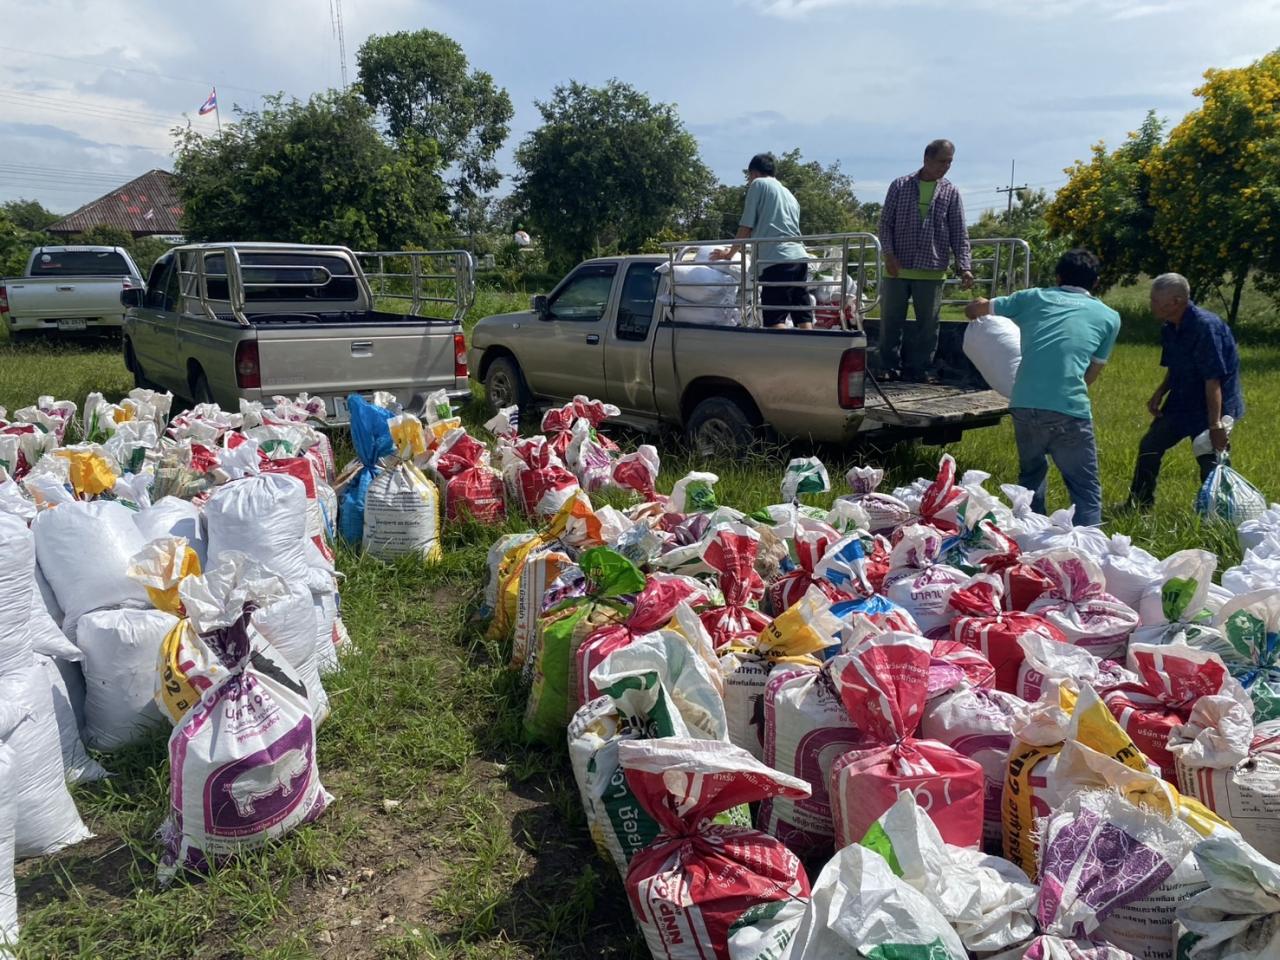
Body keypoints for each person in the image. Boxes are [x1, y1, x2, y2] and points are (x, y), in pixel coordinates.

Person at [965, 248, 1120, 527]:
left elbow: (976, 308)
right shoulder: (1109, 316)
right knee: (1085, 489)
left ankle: (1030, 537)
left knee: (1030, 480)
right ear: (1095, 283)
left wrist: (973, 307)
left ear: (1058, 276)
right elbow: (1092, 373)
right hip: (1069, 408)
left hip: (1024, 403)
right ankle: (1089, 552)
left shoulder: (1032, 297)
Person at [1126, 272, 1243, 509]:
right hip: (1181, 401)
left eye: (1156, 301)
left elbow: (1213, 380)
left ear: (1177, 301)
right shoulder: (1170, 326)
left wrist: (1215, 425)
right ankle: (1140, 504)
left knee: (1211, 461)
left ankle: (1218, 513)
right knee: (1150, 446)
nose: (1151, 305)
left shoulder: (1206, 328)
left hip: (1212, 405)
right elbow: (1176, 366)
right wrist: (1159, 393)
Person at [877, 139, 974, 381]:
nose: (946, 166)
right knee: (891, 322)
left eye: (950, 162)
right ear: (926, 159)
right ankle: (888, 367)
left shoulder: (951, 192)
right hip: (897, 268)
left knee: (928, 326)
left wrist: (965, 267)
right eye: (942, 161)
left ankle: (920, 369)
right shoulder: (900, 185)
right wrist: (888, 254)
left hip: (932, 267)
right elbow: (885, 223)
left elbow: (959, 232)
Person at [711, 152, 811, 329]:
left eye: (749, 177)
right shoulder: (789, 194)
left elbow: (746, 226)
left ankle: (781, 356)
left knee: (775, 317)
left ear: (753, 173)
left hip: (776, 259)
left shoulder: (758, 184)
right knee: (802, 314)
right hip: (799, 259)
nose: (749, 181)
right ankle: (809, 352)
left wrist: (730, 253)